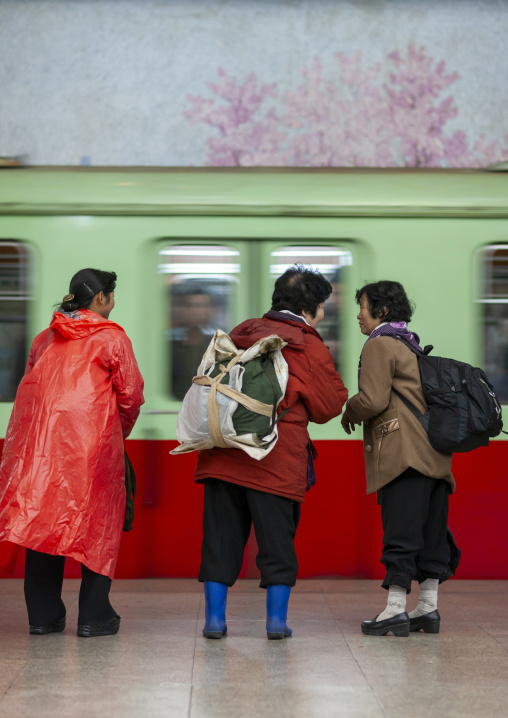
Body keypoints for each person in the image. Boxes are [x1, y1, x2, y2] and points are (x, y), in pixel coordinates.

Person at [194, 265, 348, 640]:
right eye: (323, 305)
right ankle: (276, 623)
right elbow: (330, 406)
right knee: (277, 544)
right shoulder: (307, 344)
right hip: (275, 459)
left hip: (223, 454)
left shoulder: (240, 332)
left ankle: (215, 620)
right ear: (312, 306)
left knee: (220, 541)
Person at [0, 269, 144, 637]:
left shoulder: (44, 338)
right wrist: (113, 434)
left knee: (42, 521)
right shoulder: (111, 338)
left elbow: (30, 394)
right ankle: (94, 616)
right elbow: (131, 396)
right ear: (101, 299)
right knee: (97, 525)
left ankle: (43, 617)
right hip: (92, 449)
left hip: (42, 451)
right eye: (112, 294)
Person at [341, 281, 456, 637]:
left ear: (382, 310)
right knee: (431, 534)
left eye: (362, 306)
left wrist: (349, 409)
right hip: (435, 457)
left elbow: (373, 400)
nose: (358, 314)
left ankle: (394, 610)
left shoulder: (379, 343)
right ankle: (427, 608)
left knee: (402, 533)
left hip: (403, 455)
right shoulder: (411, 342)